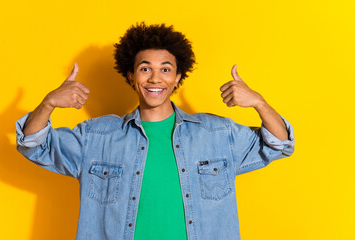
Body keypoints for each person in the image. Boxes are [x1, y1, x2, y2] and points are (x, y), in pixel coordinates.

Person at [16, 22, 295, 240]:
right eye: (145, 68)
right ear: (131, 76)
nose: (155, 78)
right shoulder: (96, 137)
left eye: (165, 69)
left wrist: (258, 102)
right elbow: (33, 144)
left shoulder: (217, 134)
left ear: (177, 78)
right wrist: (49, 103)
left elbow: (278, 144)